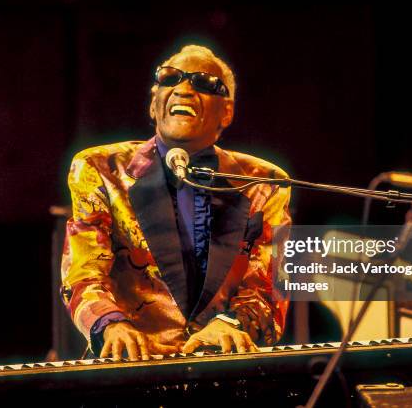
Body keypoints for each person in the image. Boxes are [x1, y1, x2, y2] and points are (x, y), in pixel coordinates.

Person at [60, 45, 291, 361]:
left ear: (227, 112)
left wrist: (229, 323)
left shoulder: (263, 183)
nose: (183, 88)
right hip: (128, 370)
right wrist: (111, 324)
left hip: (225, 372)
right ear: (154, 105)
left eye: (204, 83)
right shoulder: (101, 169)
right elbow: (83, 275)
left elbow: (269, 286)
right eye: (170, 79)